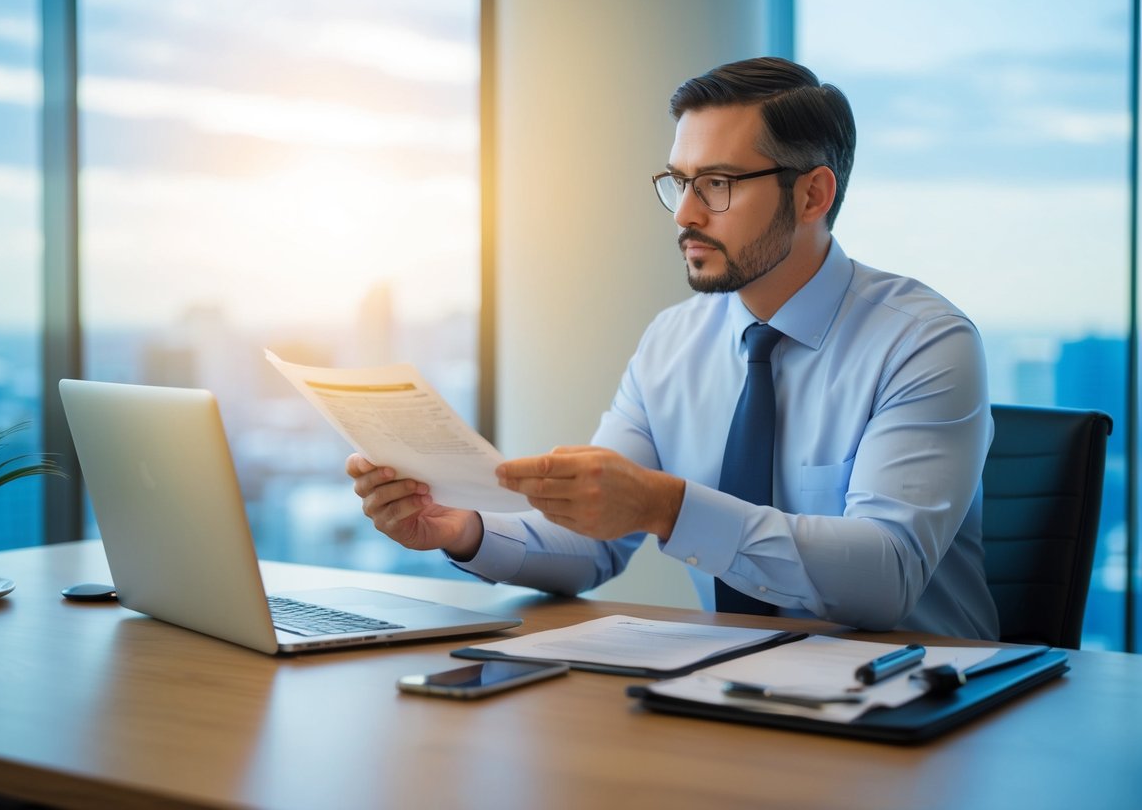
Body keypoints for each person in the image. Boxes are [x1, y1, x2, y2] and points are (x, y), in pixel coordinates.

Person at [346, 57, 999, 640]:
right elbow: (593, 544)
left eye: (716, 183)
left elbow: (886, 577)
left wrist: (666, 506)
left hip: (920, 692)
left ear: (811, 195)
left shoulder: (922, 342)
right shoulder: (673, 341)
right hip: (732, 684)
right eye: (678, 181)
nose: (685, 214)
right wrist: (463, 528)